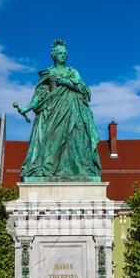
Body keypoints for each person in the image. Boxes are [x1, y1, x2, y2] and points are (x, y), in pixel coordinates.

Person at [19, 39, 102, 181]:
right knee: (52, 141)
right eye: (60, 53)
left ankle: (80, 169)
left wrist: (67, 83)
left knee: (77, 142)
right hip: (53, 113)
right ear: (54, 55)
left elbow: (84, 91)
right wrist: (26, 108)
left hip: (73, 110)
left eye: (64, 53)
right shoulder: (48, 73)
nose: (63, 55)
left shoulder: (73, 72)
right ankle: (48, 169)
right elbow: (39, 95)